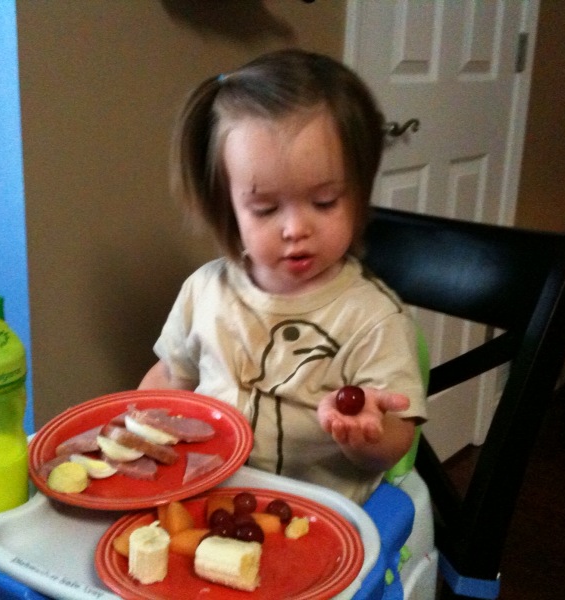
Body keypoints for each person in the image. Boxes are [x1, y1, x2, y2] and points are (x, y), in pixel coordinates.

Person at [139, 48, 426, 504]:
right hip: (209, 496)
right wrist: (136, 426)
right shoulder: (205, 291)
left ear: (359, 194)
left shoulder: (372, 318)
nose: (295, 229)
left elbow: (395, 442)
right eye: (265, 208)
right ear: (228, 208)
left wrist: (364, 432)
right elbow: (171, 377)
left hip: (315, 515)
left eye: (325, 202)